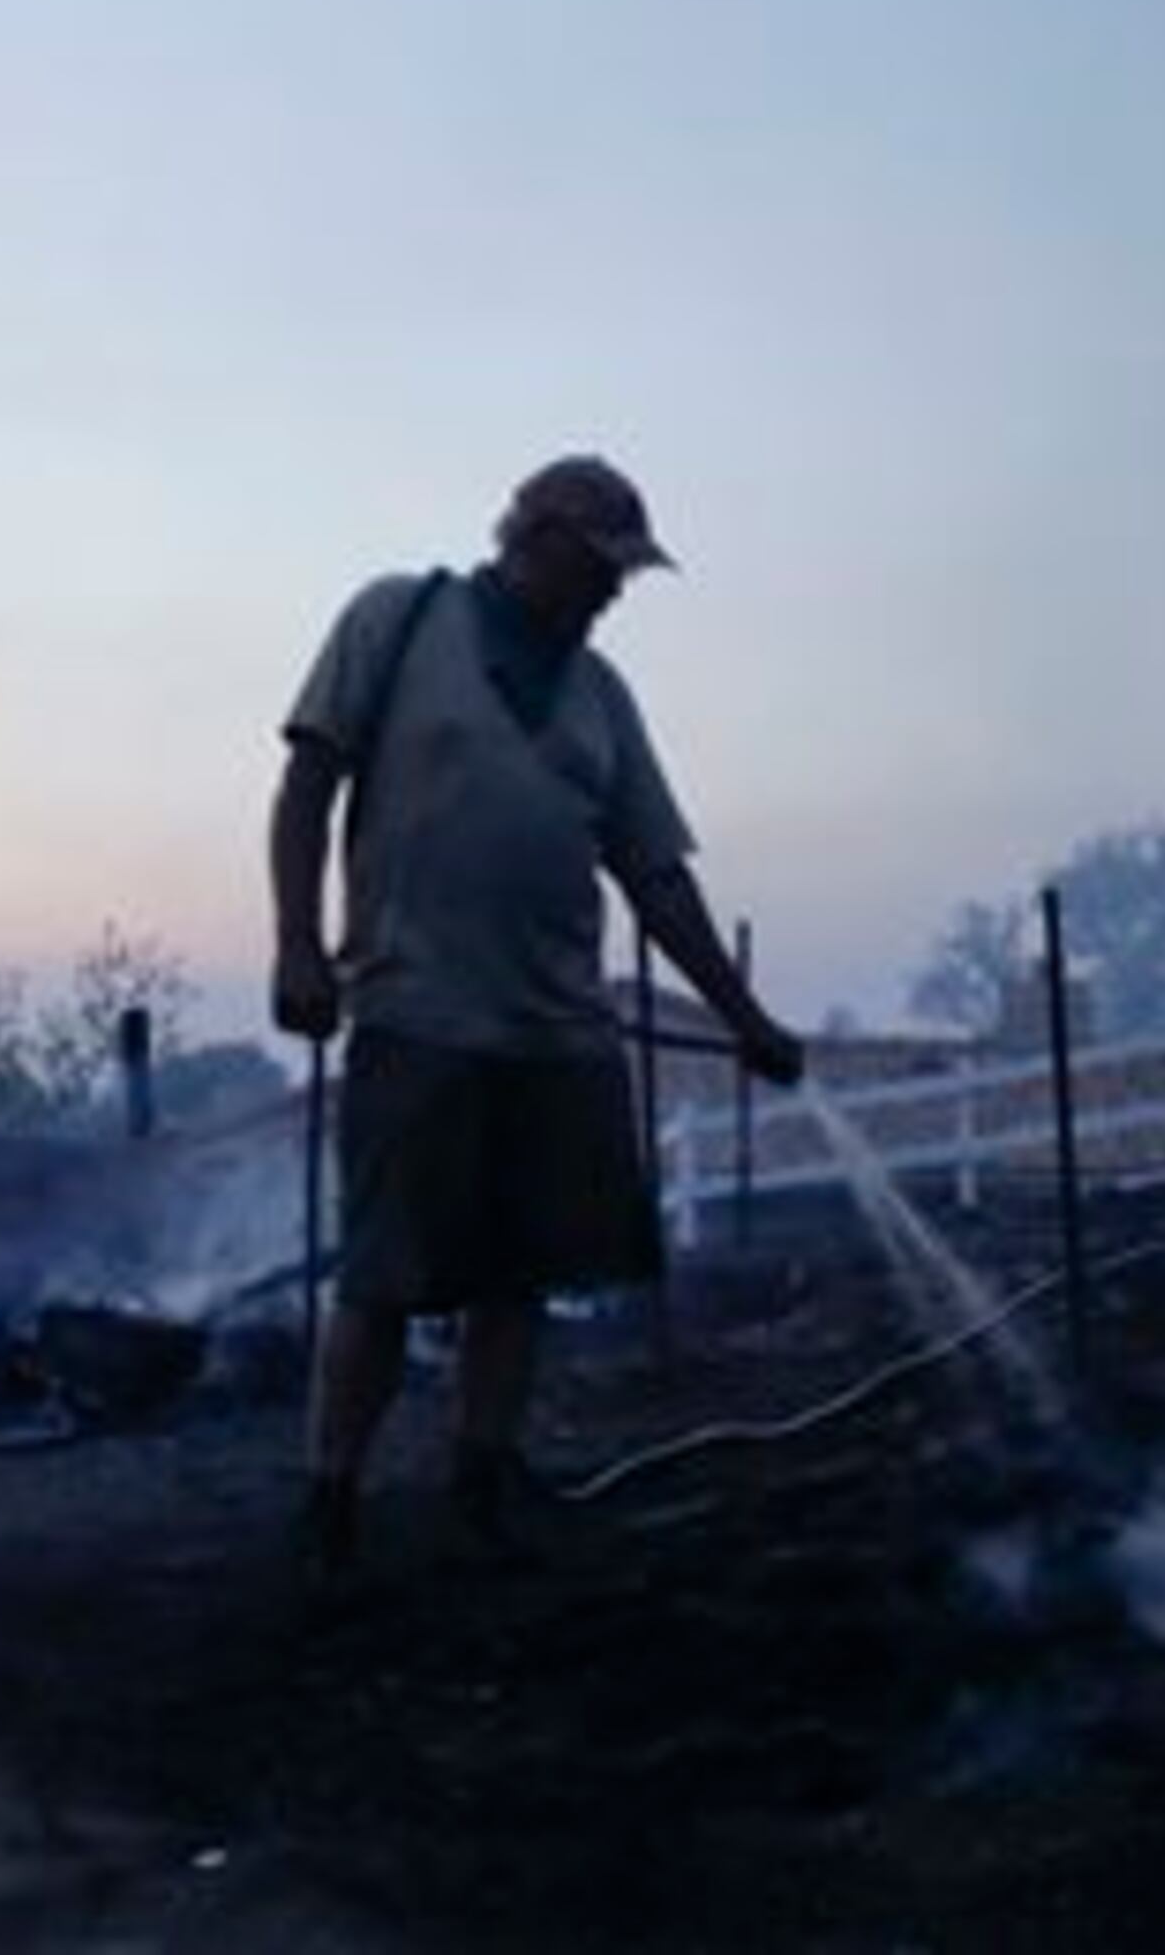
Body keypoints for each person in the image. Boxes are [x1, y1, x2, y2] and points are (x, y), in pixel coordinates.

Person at [269, 452, 805, 1580]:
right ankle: (331, 1497)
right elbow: (308, 785)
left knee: (522, 1270)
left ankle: (485, 1474)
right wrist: (299, 943)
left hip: (558, 1030)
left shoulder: (602, 696)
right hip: (418, 1011)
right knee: (383, 1273)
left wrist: (745, 1014)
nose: (616, 591)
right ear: (541, 536)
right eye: (605, 565)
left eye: (625, 573)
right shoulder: (403, 620)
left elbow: (656, 875)